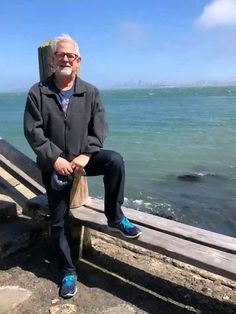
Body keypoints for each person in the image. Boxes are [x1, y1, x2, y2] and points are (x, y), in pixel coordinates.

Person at [24, 34, 142, 298]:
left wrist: (87, 154)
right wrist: (55, 159)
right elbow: (33, 131)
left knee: (114, 161)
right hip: (54, 163)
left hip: (81, 159)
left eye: (71, 56)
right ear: (53, 60)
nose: (66, 59)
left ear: (78, 62)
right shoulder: (37, 92)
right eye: (61, 55)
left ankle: (115, 215)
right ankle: (68, 271)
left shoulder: (90, 92)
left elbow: (99, 127)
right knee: (58, 221)